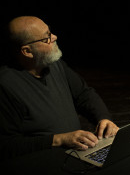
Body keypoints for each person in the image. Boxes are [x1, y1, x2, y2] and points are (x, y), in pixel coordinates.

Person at [0, 16, 119, 160]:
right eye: (47, 38)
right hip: (41, 163)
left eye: (50, 32)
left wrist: (103, 118)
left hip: (76, 155)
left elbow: (84, 94)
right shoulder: (6, 85)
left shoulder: (54, 64)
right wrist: (59, 139)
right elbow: (6, 145)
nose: (55, 37)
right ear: (27, 51)